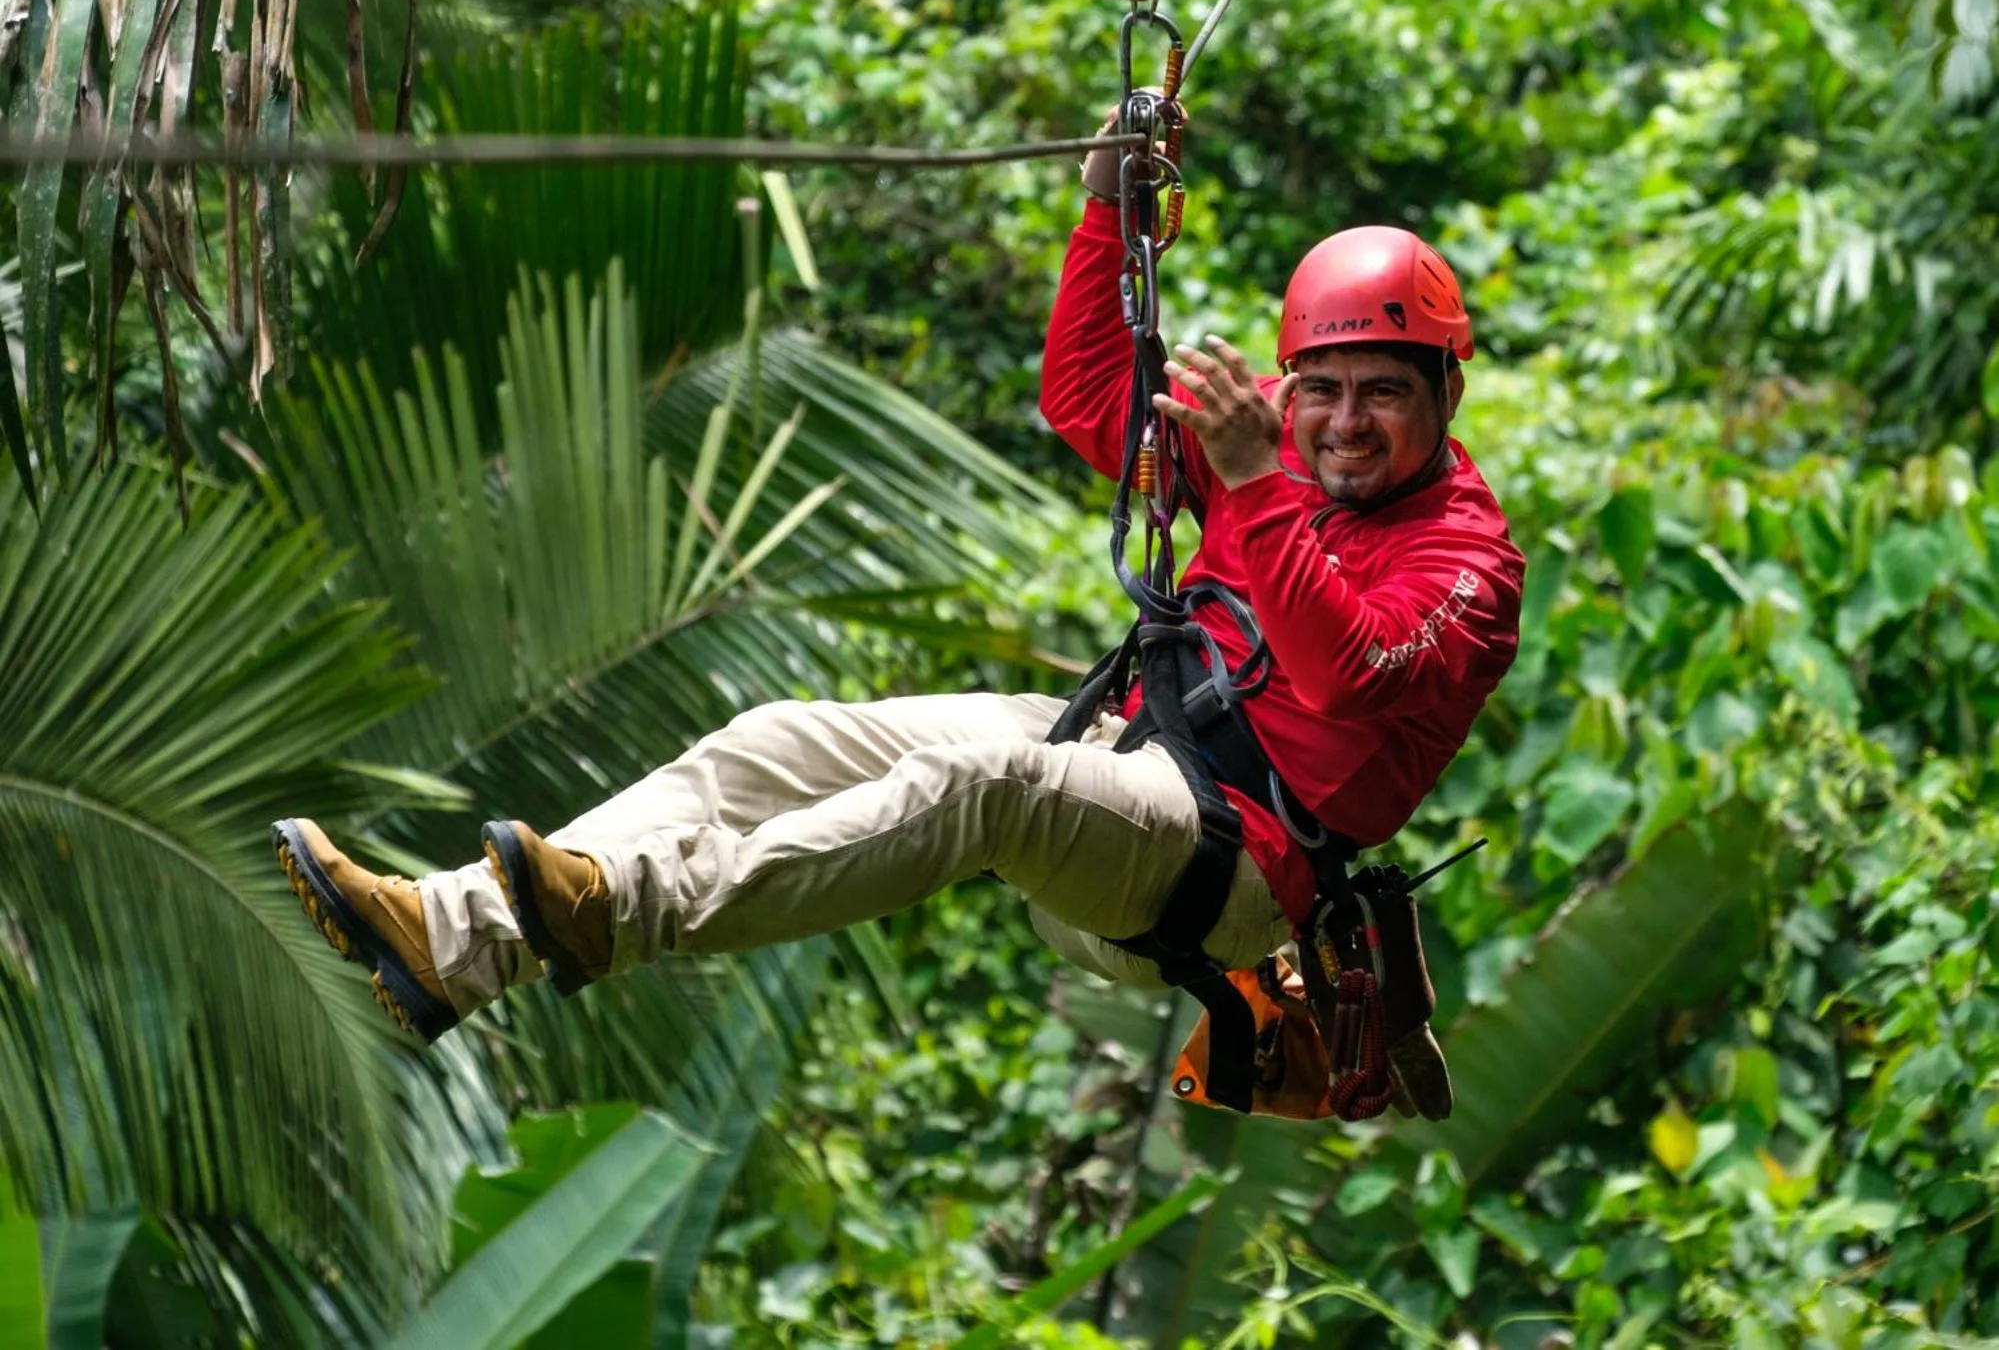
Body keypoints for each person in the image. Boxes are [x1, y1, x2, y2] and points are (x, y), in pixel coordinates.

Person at [272, 139, 1526, 1057]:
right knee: (778, 739)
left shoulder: (1466, 563)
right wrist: (1107, 213)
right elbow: (1091, 398)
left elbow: (1348, 671)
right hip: (1119, 755)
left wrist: (1253, 484)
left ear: (1441, 398)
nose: (1345, 424)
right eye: (1326, 389)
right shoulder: (1275, 443)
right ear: (1292, 382)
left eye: (1383, 394)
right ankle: (450, 937)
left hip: (1230, 861)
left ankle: (621, 912)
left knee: (978, 788)